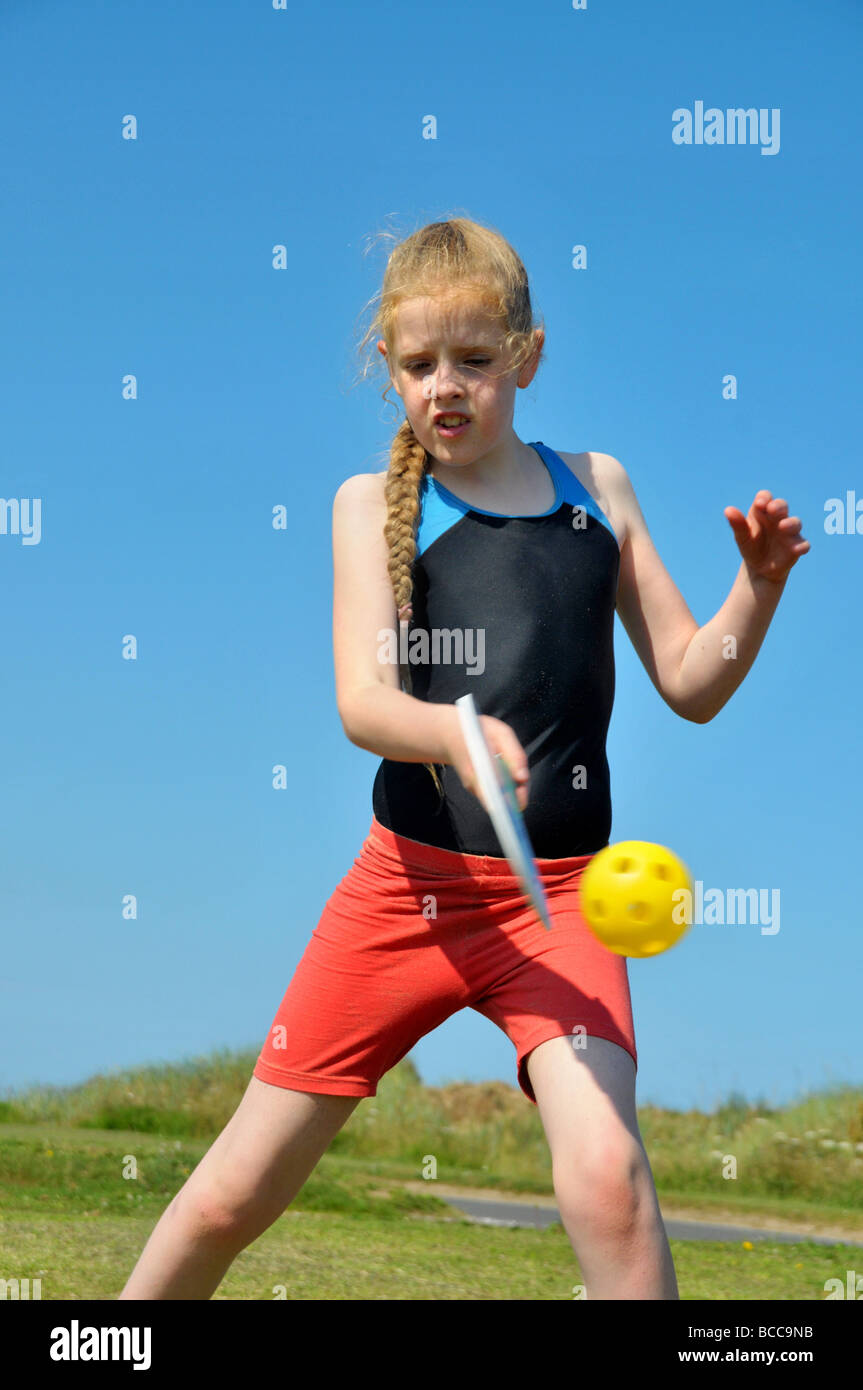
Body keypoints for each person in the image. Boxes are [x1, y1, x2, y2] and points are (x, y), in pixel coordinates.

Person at [119, 215, 809, 1301]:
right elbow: (362, 702)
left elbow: (688, 680)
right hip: (408, 891)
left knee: (609, 1181)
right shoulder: (370, 506)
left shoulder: (597, 488)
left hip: (565, 900)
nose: (445, 386)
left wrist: (755, 593)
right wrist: (454, 730)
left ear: (527, 358)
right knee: (227, 1195)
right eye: (417, 364)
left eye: (475, 362)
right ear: (386, 368)